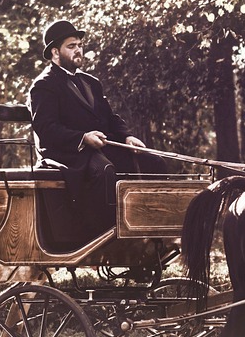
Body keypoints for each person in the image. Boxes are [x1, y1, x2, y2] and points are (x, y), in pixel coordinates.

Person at [28, 19, 166, 232]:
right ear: (55, 53)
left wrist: (127, 136)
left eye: (80, 45)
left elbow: (110, 117)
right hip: (66, 154)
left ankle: (150, 228)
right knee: (104, 170)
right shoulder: (43, 86)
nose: (79, 50)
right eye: (71, 46)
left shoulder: (91, 82)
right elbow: (46, 130)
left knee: (152, 161)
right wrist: (83, 138)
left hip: (100, 147)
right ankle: (102, 233)